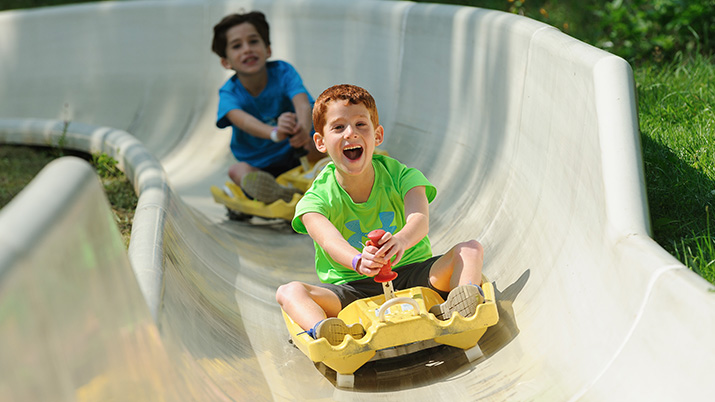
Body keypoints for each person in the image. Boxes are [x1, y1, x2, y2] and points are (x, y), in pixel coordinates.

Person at [276, 84, 485, 346]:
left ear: (377, 135)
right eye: (339, 127)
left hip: (413, 273)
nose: (350, 133)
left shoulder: (400, 175)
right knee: (289, 292)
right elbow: (330, 242)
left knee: (471, 249)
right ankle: (328, 331)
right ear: (320, 141)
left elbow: (419, 219)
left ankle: (462, 305)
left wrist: (401, 241)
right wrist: (357, 261)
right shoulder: (317, 199)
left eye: (360, 124)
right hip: (353, 289)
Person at [211, 11, 321, 204]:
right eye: (237, 46)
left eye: (253, 42)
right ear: (226, 62)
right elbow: (244, 121)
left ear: (267, 49)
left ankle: (333, 174)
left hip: (297, 149)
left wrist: (303, 129)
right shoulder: (230, 93)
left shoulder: (283, 72)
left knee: (320, 142)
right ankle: (276, 191)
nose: (247, 49)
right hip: (261, 164)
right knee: (237, 171)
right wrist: (274, 132)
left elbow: (302, 103)